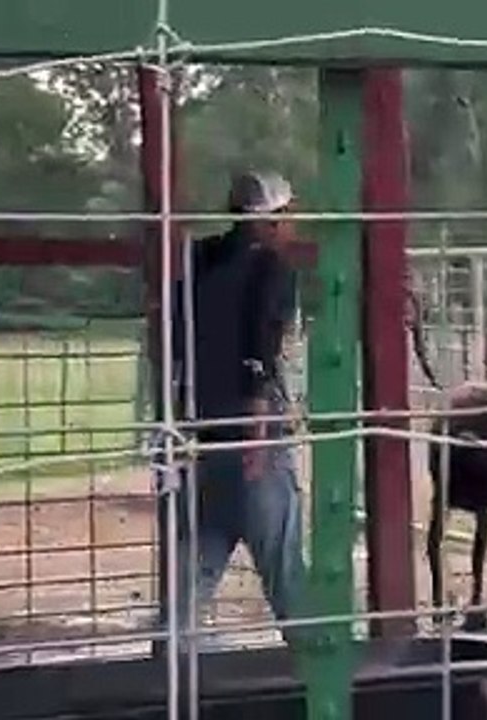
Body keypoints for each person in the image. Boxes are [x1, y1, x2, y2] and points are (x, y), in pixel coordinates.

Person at [163, 169, 306, 644]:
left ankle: (167, 685)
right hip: (254, 441)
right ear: (270, 220)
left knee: (190, 581)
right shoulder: (272, 269)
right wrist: (259, 434)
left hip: (202, 438)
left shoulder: (198, 262)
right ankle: (318, 687)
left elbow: (173, 339)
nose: (293, 226)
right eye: (289, 215)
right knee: (287, 579)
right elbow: (260, 351)